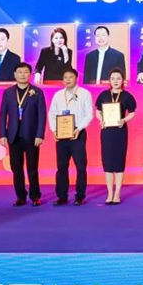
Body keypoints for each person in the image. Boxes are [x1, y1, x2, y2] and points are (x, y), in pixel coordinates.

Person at [0, 62, 46, 207]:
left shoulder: (37, 92)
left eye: (25, 72)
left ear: (30, 74)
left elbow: (42, 115)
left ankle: (35, 196)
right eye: (19, 72)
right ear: (15, 74)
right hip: (13, 136)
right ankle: (20, 196)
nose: (22, 75)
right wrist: (2, 134)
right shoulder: (8, 92)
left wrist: (40, 135)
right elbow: (2, 115)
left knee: (32, 168)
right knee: (16, 169)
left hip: (31, 136)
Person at [48, 67, 93, 206]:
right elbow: (52, 113)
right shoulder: (58, 95)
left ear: (76, 78)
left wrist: (79, 128)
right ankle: (62, 196)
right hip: (62, 134)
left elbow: (89, 114)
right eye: (65, 77)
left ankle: (80, 196)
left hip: (77, 133)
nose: (68, 80)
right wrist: (54, 130)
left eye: (71, 77)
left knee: (81, 166)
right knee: (61, 167)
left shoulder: (84, 93)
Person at [95, 68, 137, 205]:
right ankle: (109, 193)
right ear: (109, 80)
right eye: (113, 78)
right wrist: (101, 119)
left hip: (120, 131)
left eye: (118, 78)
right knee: (107, 162)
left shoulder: (127, 96)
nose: (115, 81)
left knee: (119, 161)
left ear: (123, 80)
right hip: (107, 131)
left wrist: (124, 120)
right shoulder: (103, 95)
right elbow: (98, 111)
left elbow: (132, 113)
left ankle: (117, 192)